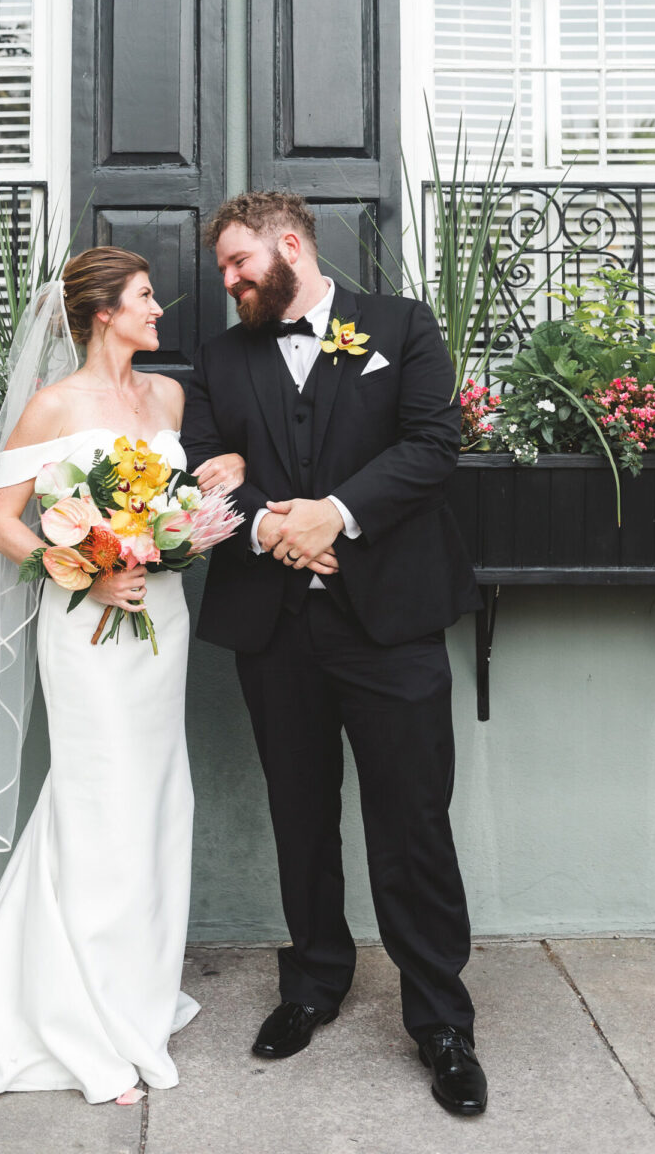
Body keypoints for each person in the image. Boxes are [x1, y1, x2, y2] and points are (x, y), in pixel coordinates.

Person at [0, 248, 240, 1105]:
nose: (159, 309)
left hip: (159, 616)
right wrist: (87, 568)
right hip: (87, 627)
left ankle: (132, 997)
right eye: (143, 298)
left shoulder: (166, 396)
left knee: (158, 802)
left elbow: (198, 481)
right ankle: (78, 1021)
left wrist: (203, 503)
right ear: (102, 313)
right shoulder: (54, 406)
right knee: (97, 805)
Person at [182, 192, 488, 1117]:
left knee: (412, 822)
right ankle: (312, 982)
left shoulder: (402, 326)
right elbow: (198, 462)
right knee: (300, 814)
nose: (229, 282)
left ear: (288, 245)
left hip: (389, 625)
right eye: (224, 271)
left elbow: (436, 443)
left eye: (239, 264)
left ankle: (440, 1019)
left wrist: (336, 515)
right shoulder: (223, 356)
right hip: (276, 632)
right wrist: (277, 524)